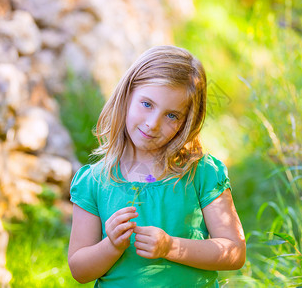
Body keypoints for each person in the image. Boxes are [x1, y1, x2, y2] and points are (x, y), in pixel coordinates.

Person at [68, 45, 246, 287]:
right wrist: (111, 245)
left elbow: (234, 252)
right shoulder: (94, 181)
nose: (153, 124)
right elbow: (79, 270)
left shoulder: (202, 173)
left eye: (172, 115)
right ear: (127, 95)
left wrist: (171, 246)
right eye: (147, 104)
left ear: (187, 121)